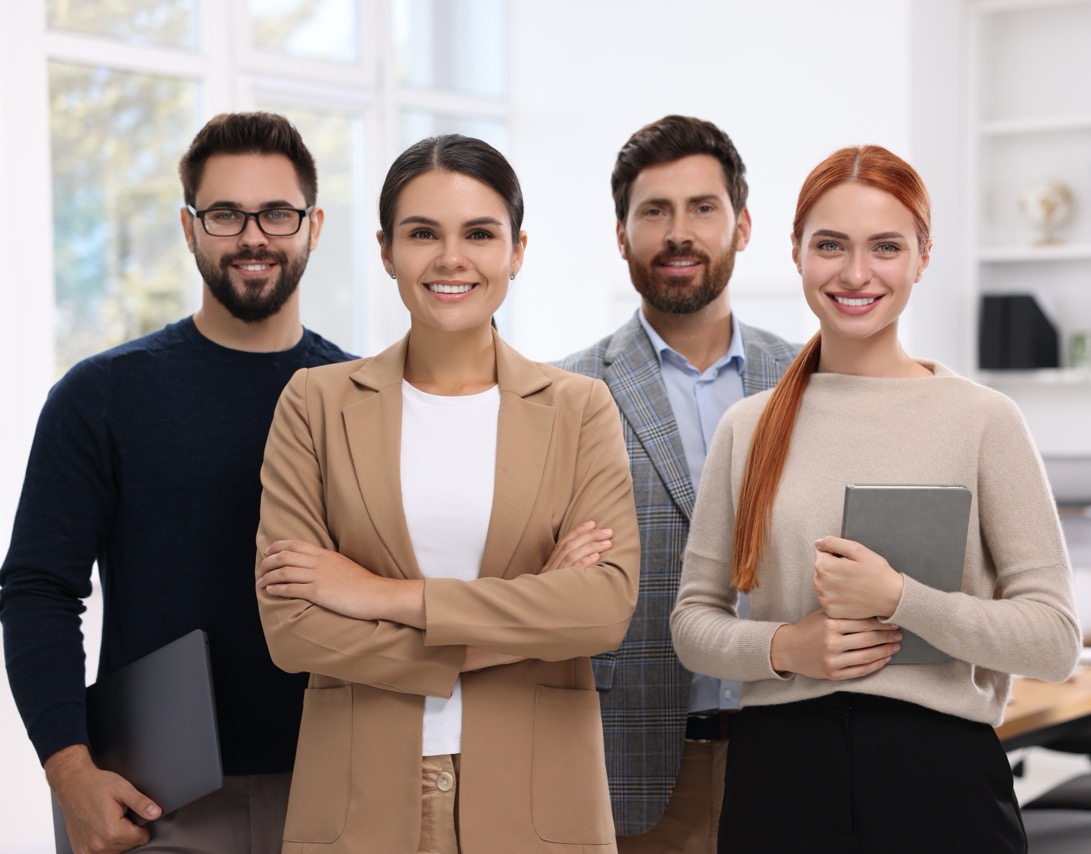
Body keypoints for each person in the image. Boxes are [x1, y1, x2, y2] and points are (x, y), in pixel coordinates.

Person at [670, 144, 1081, 852]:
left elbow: (1054, 642)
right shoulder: (750, 426)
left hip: (940, 780)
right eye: (830, 245)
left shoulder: (983, 421)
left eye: (885, 247)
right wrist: (786, 646)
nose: (856, 273)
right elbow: (692, 624)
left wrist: (899, 598)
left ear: (923, 256)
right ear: (795, 251)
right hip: (778, 780)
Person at [253, 133, 641, 853]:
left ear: (517, 250)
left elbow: (601, 609)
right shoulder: (315, 402)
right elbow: (293, 627)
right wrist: (522, 618)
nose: (450, 258)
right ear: (386, 250)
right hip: (360, 804)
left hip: (538, 803)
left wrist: (382, 596)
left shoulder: (580, 408)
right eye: (423, 233)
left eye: (479, 233)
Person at [0, 111, 352, 852]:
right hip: (157, 802)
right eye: (225, 214)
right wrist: (69, 773)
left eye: (277, 214)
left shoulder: (362, 396)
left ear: (313, 226)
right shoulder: (100, 395)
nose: (253, 237)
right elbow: (36, 589)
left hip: (338, 788)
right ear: (189, 228)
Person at [556, 115, 799, 852]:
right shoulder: (565, 393)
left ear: (743, 224)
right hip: (635, 766)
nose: (678, 233)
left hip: (791, 747)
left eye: (703, 208)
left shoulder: (807, 382)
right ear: (622, 234)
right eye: (654, 211)